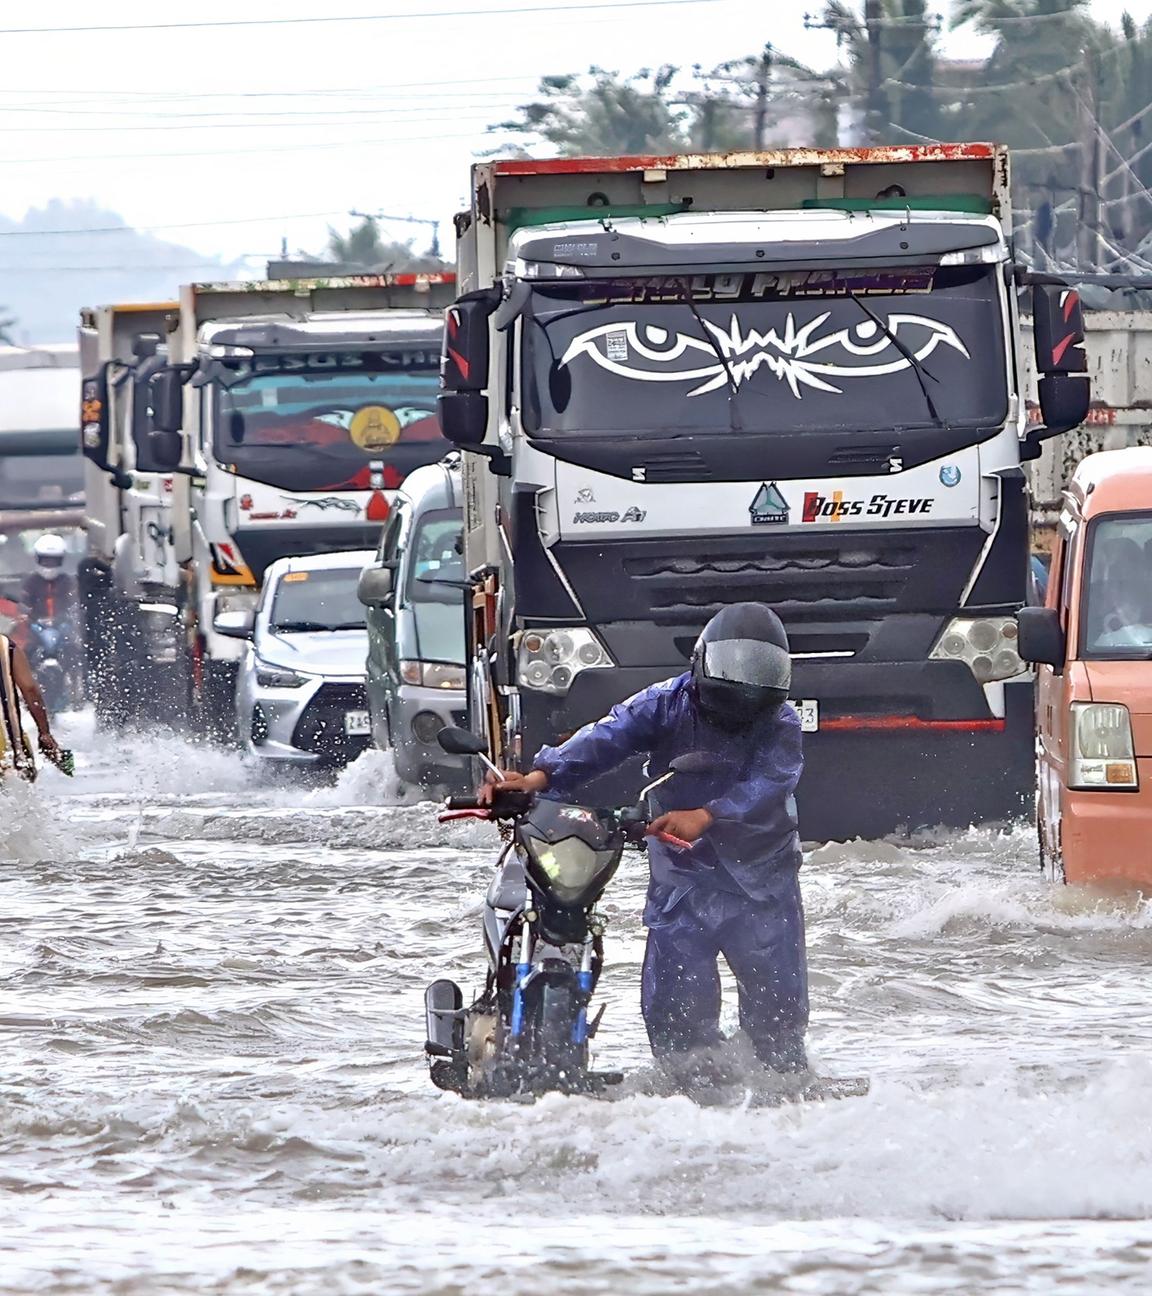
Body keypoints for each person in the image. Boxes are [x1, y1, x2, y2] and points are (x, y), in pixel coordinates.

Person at [486, 601, 808, 1075]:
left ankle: (783, 1094)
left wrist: (708, 815)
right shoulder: (665, 703)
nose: (743, 692)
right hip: (683, 870)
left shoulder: (780, 722)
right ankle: (687, 1089)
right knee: (677, 1007)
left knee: (777, 1011)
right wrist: (540, 776)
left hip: (760, 873)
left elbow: (770, 783)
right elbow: (607, 737)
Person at [0, 630, 61, 779]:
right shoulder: (4, 646)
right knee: (18, 782)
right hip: (9, 743)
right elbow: (30, 690)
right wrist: (44, 732)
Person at [22, 534, 79, 624]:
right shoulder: (31, 582)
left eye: (53, 561)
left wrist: (60, 619)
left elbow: (74, 605)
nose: (49, 565)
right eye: (45, 561)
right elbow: (24, 605)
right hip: (36, 626)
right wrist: (33, 619)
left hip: (64, 625)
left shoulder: (67, 581)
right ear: (37, 559)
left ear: (61, 560)